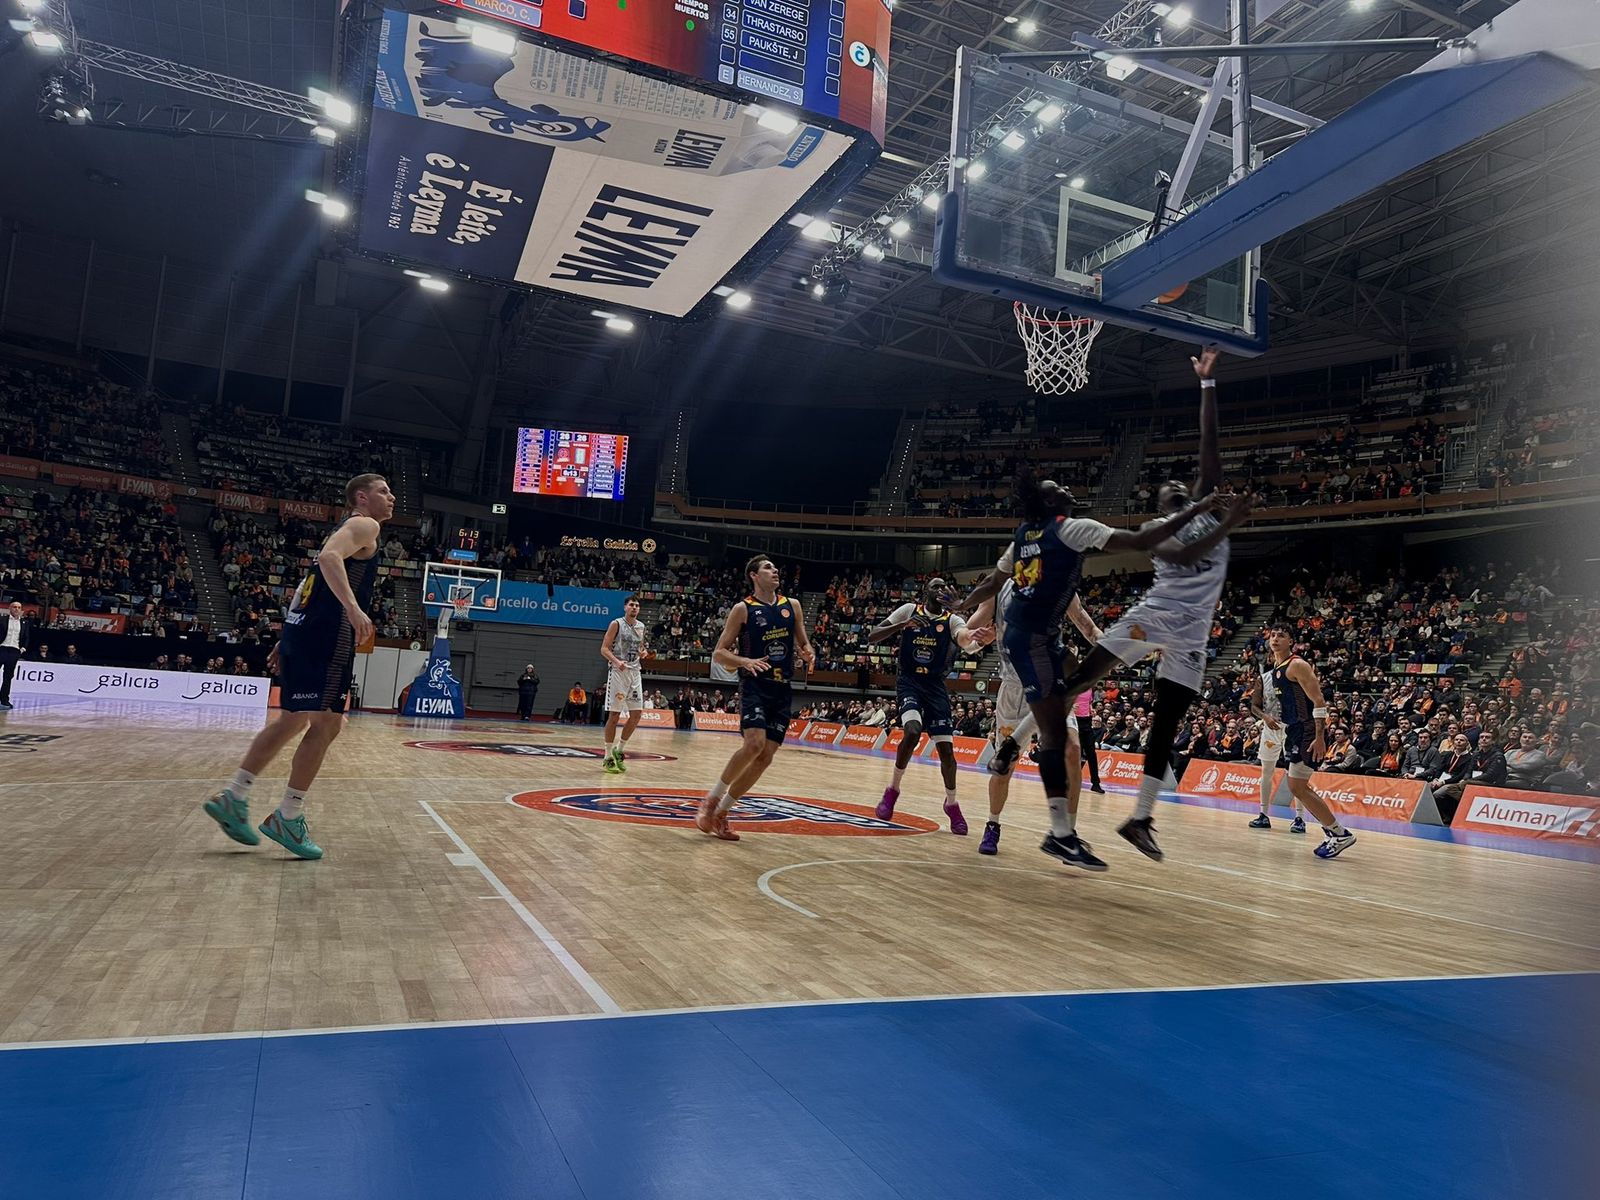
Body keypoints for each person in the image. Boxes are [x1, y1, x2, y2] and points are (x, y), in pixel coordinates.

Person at [955, 471, 1225, 870]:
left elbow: (1084, 623)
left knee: (1070, 743)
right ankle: (1001, 823)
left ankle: (1067, 832)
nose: (1067, 489)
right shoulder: (1058, 536)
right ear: (1049, 506)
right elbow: (979, 615)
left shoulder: (1035, 544)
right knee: (1032, 744)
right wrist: (967, 634)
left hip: (1046, 648)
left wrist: (1112, 644)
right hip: (1020, 665)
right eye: (1058, 489)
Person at [1052, 348, 1255, 862]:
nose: (1175, 484)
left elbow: (1211, 444)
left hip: (1193, 631)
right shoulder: (1152, 532)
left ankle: (1141, 817)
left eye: (1179, 484)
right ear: (1160, 503)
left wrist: (1207, 385)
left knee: (1167, 724)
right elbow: (1187, 552)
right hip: (1155, 615)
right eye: (1166, 488)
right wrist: (1229, 521)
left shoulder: (1204, 502)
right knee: (1080, 681)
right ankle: (1017, 738)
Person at [201, 474, 395, 860]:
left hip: (303, 632)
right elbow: (327, 560)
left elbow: (312, 582)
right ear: (362, 496)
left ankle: (234, 797)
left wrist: (289, 633)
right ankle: (288, 816)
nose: (391, 498)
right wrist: (354, 609)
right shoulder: (364, 524)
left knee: (291, 720)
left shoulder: (348, 528)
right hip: (328, 638)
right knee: (328, 723)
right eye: (384, 491)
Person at [972, 580, 1100, 856]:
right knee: (1005, 767)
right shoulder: (1000, 587)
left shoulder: (1061, 583)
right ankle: (993, 824)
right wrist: (978, 637)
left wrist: (1113, 649)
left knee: (1073, 750)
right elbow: (972, 629)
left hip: (1052, 684)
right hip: (1015, 690)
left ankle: (1066, 834)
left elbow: (1088, 627)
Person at [696, 556, 816, 841]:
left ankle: (723, 813)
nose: (774, 571)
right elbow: (719, 653)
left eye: (775, 568)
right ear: (754, 575)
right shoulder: (743, 609)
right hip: (755, 685)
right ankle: (710, 800)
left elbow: (803, 642)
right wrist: (744, 661)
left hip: (782, 688)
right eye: (768, 568)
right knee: (754, 744)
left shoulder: (793, 606)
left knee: (765, 757)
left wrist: (808, 652)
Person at [870, 577, 994, 834]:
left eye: (944, 587)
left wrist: (980, 638)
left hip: (935, 686)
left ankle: (952, 804)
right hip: (909, 682)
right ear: (926, 591)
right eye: (935, 586)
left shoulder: (951, 620)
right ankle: (892, 790)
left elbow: (964, 640)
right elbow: (873, 636)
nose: (939, 590)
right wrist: (904, 625)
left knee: (947, 752)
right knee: (913, 731)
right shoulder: (908, 610)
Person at [1262, 626, 1357, 859]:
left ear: (1291, 641)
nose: (1275, 639)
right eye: (1273, 635)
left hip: (1306, 732)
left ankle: (1339, 833)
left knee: (1297, 786)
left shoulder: (1298, 665)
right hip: (1292, 731)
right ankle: (1333, 830)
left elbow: (1319, 701)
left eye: (1281, 635)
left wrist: (1319, 736)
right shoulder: (1276, 667)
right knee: (1299, 786)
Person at [1246, 654, 1306, 832]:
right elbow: (1254, 706)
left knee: (1296, 774)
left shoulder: (1296, 675)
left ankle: (1299, 818)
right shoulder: (1264, 678)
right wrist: (1265, 717)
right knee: (1266, 772)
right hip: (1271, 729)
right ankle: (1263, 814)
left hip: (1293, 728)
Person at [600, 595, 648, 773]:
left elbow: (640, 647)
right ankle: (607, 756)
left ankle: (619, 750)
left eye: (637, 605)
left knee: (636, 715)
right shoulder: (616, 624)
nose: (634, 607)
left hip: (635, 672)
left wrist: (643, 652)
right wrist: (616, 662)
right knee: (614, 716)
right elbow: (604, 649)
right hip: (619, 672)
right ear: (625, 607)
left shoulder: (641, 626)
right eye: (631, 605)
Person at [0, 601, 30, 709]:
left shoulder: (24, 623)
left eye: (19, 607)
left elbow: (26, 637)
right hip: (2, 648)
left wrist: (22, 649)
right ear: (10, 608)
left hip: (14, 651)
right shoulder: (2, 619)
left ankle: (4, 700)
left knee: (8, 677)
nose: (16, 609)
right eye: (14, 607)